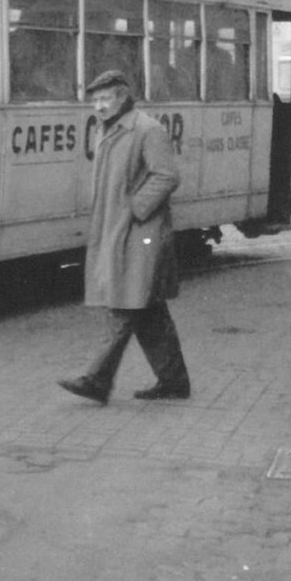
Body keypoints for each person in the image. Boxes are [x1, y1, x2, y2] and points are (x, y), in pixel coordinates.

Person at [58, 69, 190, 404]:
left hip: (139, 234)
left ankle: (97, 380)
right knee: (147, 309)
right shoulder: (109, 129)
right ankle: (174, 382)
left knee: (125, 306)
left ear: (122, 97)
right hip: (119, 230)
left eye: (105, 99)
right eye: (95, 101)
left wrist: (136, 208)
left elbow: (167, 176)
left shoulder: (146, 129)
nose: (99, 107)